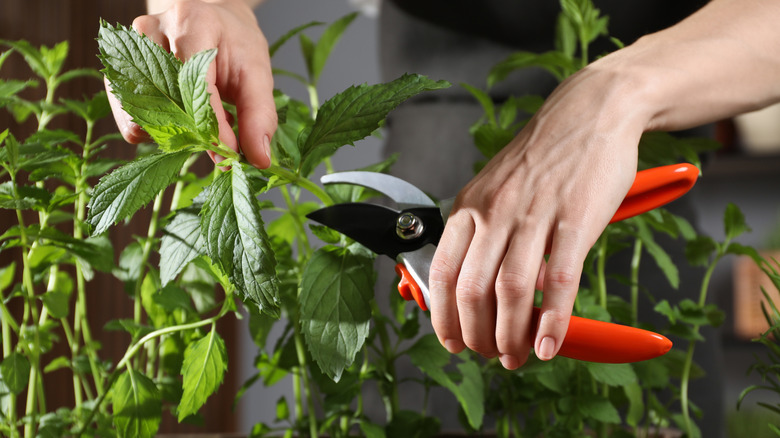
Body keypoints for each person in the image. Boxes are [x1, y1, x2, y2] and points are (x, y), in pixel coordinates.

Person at [107, 2, 780, 434]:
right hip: (436, 136)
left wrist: (619, 92)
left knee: (649, 390)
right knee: (418, 385)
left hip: (658, 117)